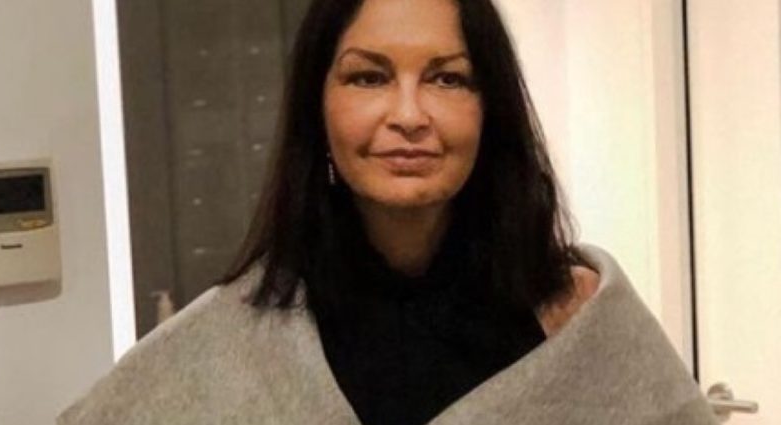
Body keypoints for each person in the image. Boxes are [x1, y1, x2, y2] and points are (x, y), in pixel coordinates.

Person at [58, 0, 717, 424]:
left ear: (490, 109)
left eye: (447, 78)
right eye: (368, 77)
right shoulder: (227, 346)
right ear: (319, 107)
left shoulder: (583, 323)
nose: (409, 114)